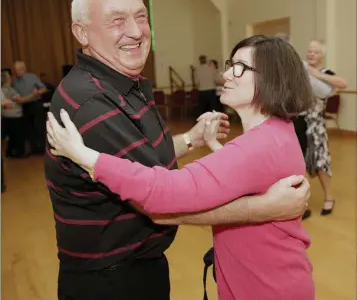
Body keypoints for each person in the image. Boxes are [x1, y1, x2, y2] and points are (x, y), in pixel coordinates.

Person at [47, 35, 314, 300]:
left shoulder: (257, 147)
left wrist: (86, 157)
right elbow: (251, 175)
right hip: (271, 280)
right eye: (230, 64)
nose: (226, 74)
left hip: (265, 288)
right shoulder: (277, 133)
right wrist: (212, 145)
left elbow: (167, 192)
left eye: (240, 67)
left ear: (271, 80)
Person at [297, 40, 347, 218]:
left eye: (315, 52)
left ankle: (329, 197)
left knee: (320, 163)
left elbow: (342, 83)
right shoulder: (300, 71)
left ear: (322, 55)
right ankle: (299, 203)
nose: (311, 54)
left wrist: (316, 74)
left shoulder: (325, 73)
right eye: (309, 51)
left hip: (315, 124)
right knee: (298, 163)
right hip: (297, 122)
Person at [12, 61, 48, 155]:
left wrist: (36, 93)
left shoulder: (32, 77)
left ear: (24, 69)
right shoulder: (14, 80)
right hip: (24, 106)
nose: (17, 72)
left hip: (35, 104)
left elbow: (44, 89)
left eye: (19, 70)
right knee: (28, 128)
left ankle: (43, 149)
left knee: (39, 126)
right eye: (15, 70)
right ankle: (34, 149)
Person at [1, 71, 38, 158]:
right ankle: (18, 154)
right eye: (9, 77)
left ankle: (10, 153)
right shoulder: (10, 90)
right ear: (7, 79)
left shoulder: (2, 89)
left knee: (10, 137)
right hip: (15, 117)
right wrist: (34, 94)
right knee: (18, 136)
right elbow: (21, 100)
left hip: (6, 117)